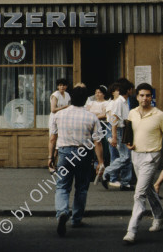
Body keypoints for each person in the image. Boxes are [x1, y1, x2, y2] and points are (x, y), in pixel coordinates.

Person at [122, 83, 163, 244]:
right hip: (136, 155)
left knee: (139, 194)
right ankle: (160, 216)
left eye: (148, 95)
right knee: (148, 189)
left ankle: (131, 231)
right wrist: (128, 143)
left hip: (151, 157)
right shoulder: (132, 113)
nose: (145, 98)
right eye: (142, 95)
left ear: (152, 97)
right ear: (137, 97)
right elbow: (128, 132)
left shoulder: (159, 115)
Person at [48, 86, 105, 236]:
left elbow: (52, 138)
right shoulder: (91, 117)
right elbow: (97, 142)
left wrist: (50, 157)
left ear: (70, 99)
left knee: (62, 186)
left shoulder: (59, 115)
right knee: (81, 187)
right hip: (84, 154)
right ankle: (77, 218)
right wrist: (101, 162)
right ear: (86, 100)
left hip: (64, 153)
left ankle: (62, 212)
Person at [101, 82, 133, 191]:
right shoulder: (119, 102)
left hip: (123, 130)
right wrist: (114, 136)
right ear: (128, 90)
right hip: (119, 130)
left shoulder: (123, 102)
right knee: (125, 157)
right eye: (131, 89)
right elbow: (114, 119)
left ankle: (125, 182)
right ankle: (107, 172)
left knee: (127, 157)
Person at [85, 85, 110, 177]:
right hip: (90, 126)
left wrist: (93, 115)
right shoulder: (91, 103)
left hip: (102, 126)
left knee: (101, 145)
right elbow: (86, 112)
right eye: (96, 92)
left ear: (103, 93)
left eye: (99, 92)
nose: (97, 94)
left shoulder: (107, 103)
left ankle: (102, 165)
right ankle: (92, 167)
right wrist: (96, 115)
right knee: (90, 146)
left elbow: (104, 114)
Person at [48, 78, 71, 173]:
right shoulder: (55, 95)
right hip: (55, 118)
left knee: (61, 139)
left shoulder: (68, 95)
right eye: (60, 85)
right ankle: (50, 161)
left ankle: (57, 162)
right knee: (53, 139)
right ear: (58, 86)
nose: (62, 87)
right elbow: (53, 109)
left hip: (64, 118)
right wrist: (65, 107)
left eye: (64, 85)